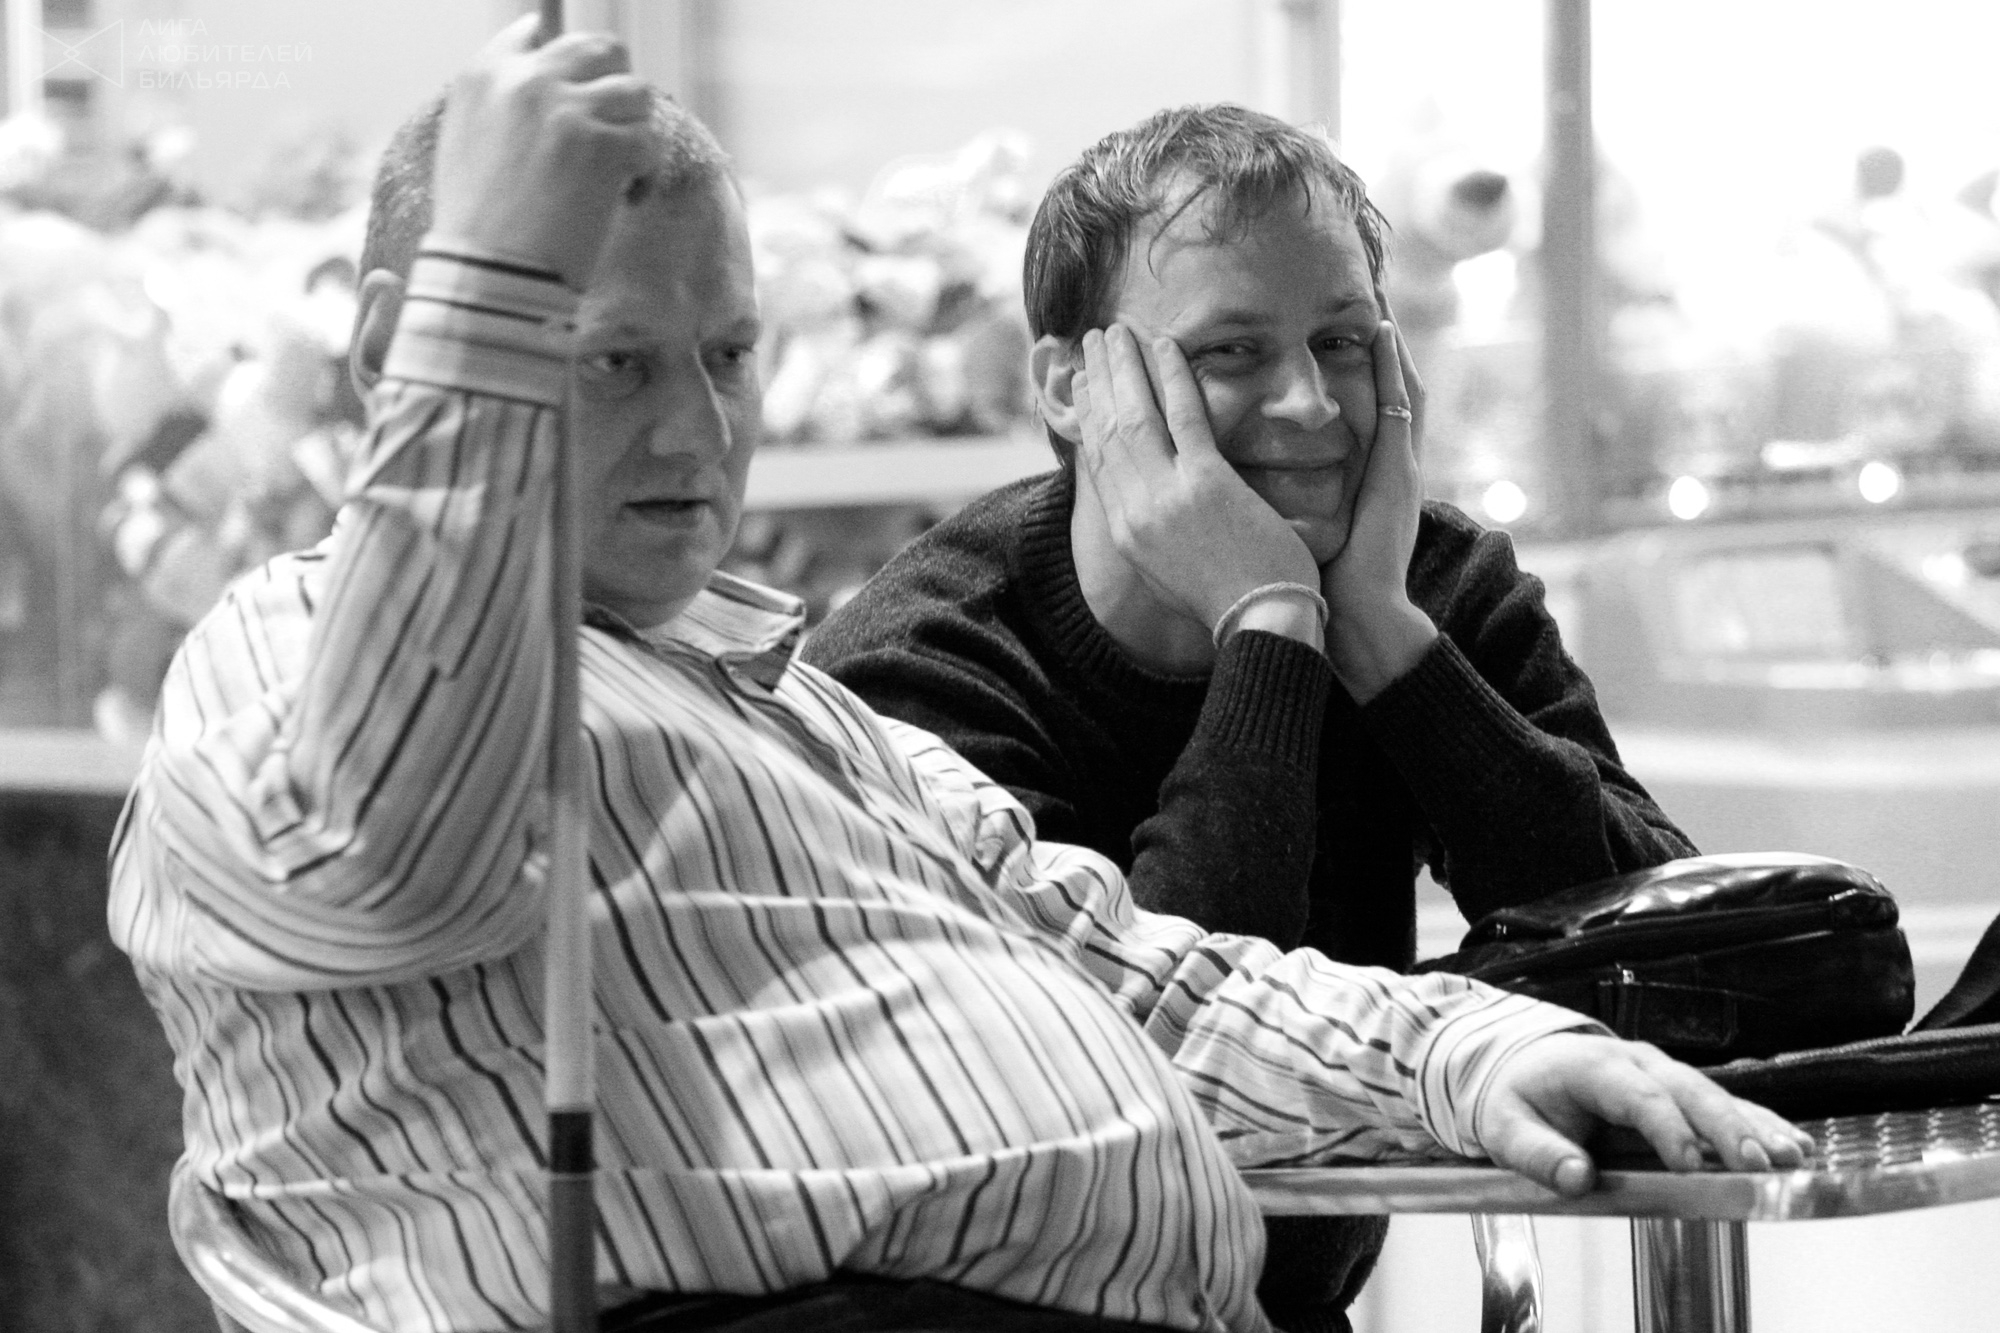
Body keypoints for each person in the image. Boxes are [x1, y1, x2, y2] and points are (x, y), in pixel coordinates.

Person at [110, 25, 1808, 1333]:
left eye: (728, 352)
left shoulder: (796, 708)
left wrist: (1465, 1047)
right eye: (614, 358)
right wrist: (483, 300)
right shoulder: (291, 656)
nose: (695, 427)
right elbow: (388, 844)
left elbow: (1137, 979)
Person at [802, 103, 1701, 1328]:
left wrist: (1387, 645)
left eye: (1342, 341)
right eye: (1229, 352)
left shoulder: (1421, 586)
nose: (1311, 405)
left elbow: (1677, 973)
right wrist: (1271, 629)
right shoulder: (920, 670)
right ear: (1067, 385)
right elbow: (1145, 1091)